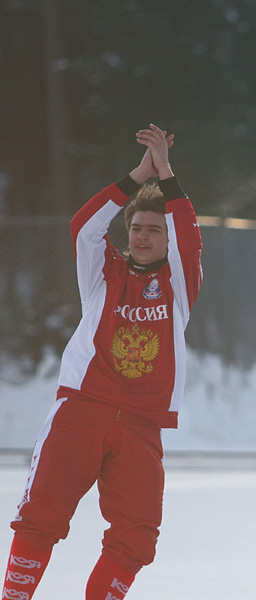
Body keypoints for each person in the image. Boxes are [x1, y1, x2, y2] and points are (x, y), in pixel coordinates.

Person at [1, 124, 202, 600]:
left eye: (154, 230)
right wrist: (136, 176)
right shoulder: (103, 272)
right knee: (40, 516)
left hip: (141, 424)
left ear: (167, 239)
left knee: (137, 536)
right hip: (81, 409)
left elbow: (189, 234)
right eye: (136, 228)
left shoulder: (179, 287)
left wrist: (167, 174)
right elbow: (83, 226)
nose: (143, 237)